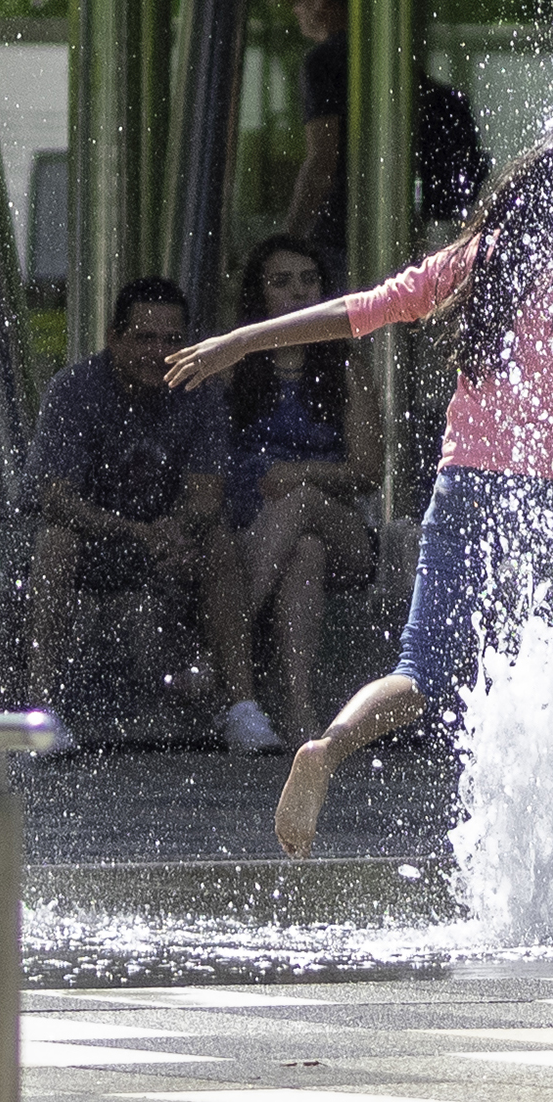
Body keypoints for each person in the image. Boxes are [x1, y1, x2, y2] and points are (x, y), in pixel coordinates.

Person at [169, 127, 553, 856]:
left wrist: (240, 340)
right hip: (550, 503)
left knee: (418, 673)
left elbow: (358, 309)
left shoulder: (474, 260)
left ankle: (328, 746)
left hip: (463, 488)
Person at [20, 276, 284, 756]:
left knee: (219, 540)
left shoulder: (200, 390)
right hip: (96, 539)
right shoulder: (75, 390)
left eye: (171, 340)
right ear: (114, 338)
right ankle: (41, 709)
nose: (158, 352)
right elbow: (56, 498)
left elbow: (207, 495)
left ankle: (242, 707)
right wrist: (135, 531)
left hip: (171, 541)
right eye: (144, 338)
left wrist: (176, 531)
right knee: (55, 541)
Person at [224, 236, 383, 742]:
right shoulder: (234, 368)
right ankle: (299, 710)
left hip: (345, 532)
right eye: (281, 282)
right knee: (305, 553)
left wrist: (301, 473)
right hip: (254, 529)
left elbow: (368, 470)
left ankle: (221, 651)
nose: (298, 292)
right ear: (259, 295)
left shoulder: (346, 367)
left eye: (309, 280)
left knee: (305, 507)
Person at [283, 0, 351, 276]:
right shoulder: (385, 56)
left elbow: (323, 160)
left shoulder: (322, 62)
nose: (295, 10)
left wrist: (288, 240)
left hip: (337, 236)